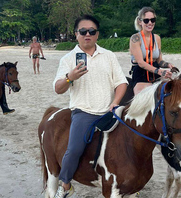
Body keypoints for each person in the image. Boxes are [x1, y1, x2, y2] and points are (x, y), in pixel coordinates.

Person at [52, 15, 128, 198]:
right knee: (75, 149)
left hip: (111, 110)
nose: (88, 35)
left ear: (97, 34)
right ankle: (65, 184)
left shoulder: (108, 56)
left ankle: (131, 183)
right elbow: (58, 89)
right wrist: (71, 77)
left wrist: (115, 102)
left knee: (133, 142)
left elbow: (121, 83)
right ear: (76, 34)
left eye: (92, 31)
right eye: (83, 31)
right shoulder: (69, 59)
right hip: (83, 111)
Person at [129, 7, 179, 95]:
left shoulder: (157, 38)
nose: (150, 23)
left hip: (155, 71)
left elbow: (159, 61)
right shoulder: (135, 38)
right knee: (143, 102)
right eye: (146, 20)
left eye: (152, 20)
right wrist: (160, 71)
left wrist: (168, 65)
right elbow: (140, 62)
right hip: (140, 73)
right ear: (140, 22)